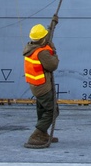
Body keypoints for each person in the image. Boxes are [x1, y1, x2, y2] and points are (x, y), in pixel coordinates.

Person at [23, 20, 60, 149]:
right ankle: (37, 134)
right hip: (43, 87)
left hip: (36, 86)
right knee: (53, 111)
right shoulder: (42, 53)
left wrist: (52, 25)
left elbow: (45, 38)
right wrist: (54, 53)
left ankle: (43, 133)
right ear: (42, 39)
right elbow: (53, 65)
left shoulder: (31, 47)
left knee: (42, 109)